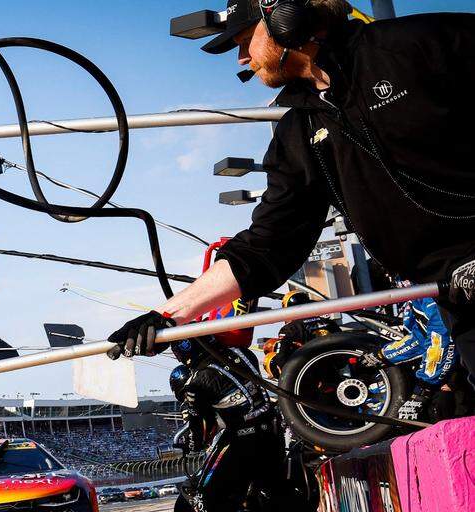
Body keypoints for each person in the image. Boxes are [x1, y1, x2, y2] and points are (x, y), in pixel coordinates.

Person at [107, 2, 475, 379]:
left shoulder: (422, 45)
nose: (240, 59)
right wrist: (168, 316)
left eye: (245, 40)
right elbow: (268, 246)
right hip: (459, 298)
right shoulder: (298, 134)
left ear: (285, 19)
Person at [168, 338, 340, 512]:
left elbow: (198, 436)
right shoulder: (241, 352)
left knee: (207, 493)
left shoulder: (196, 383)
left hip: (243, 437)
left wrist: (190, 431)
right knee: (278, 489)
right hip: (272, 429)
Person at [360, 295, 456, 421]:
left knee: (439, 408)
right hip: (448, 361)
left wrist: (424, 388)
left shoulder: (429, 288)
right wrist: (383, 355)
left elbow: (442, 336)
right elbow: (420, 338)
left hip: (460, 367)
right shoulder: (414, 290)